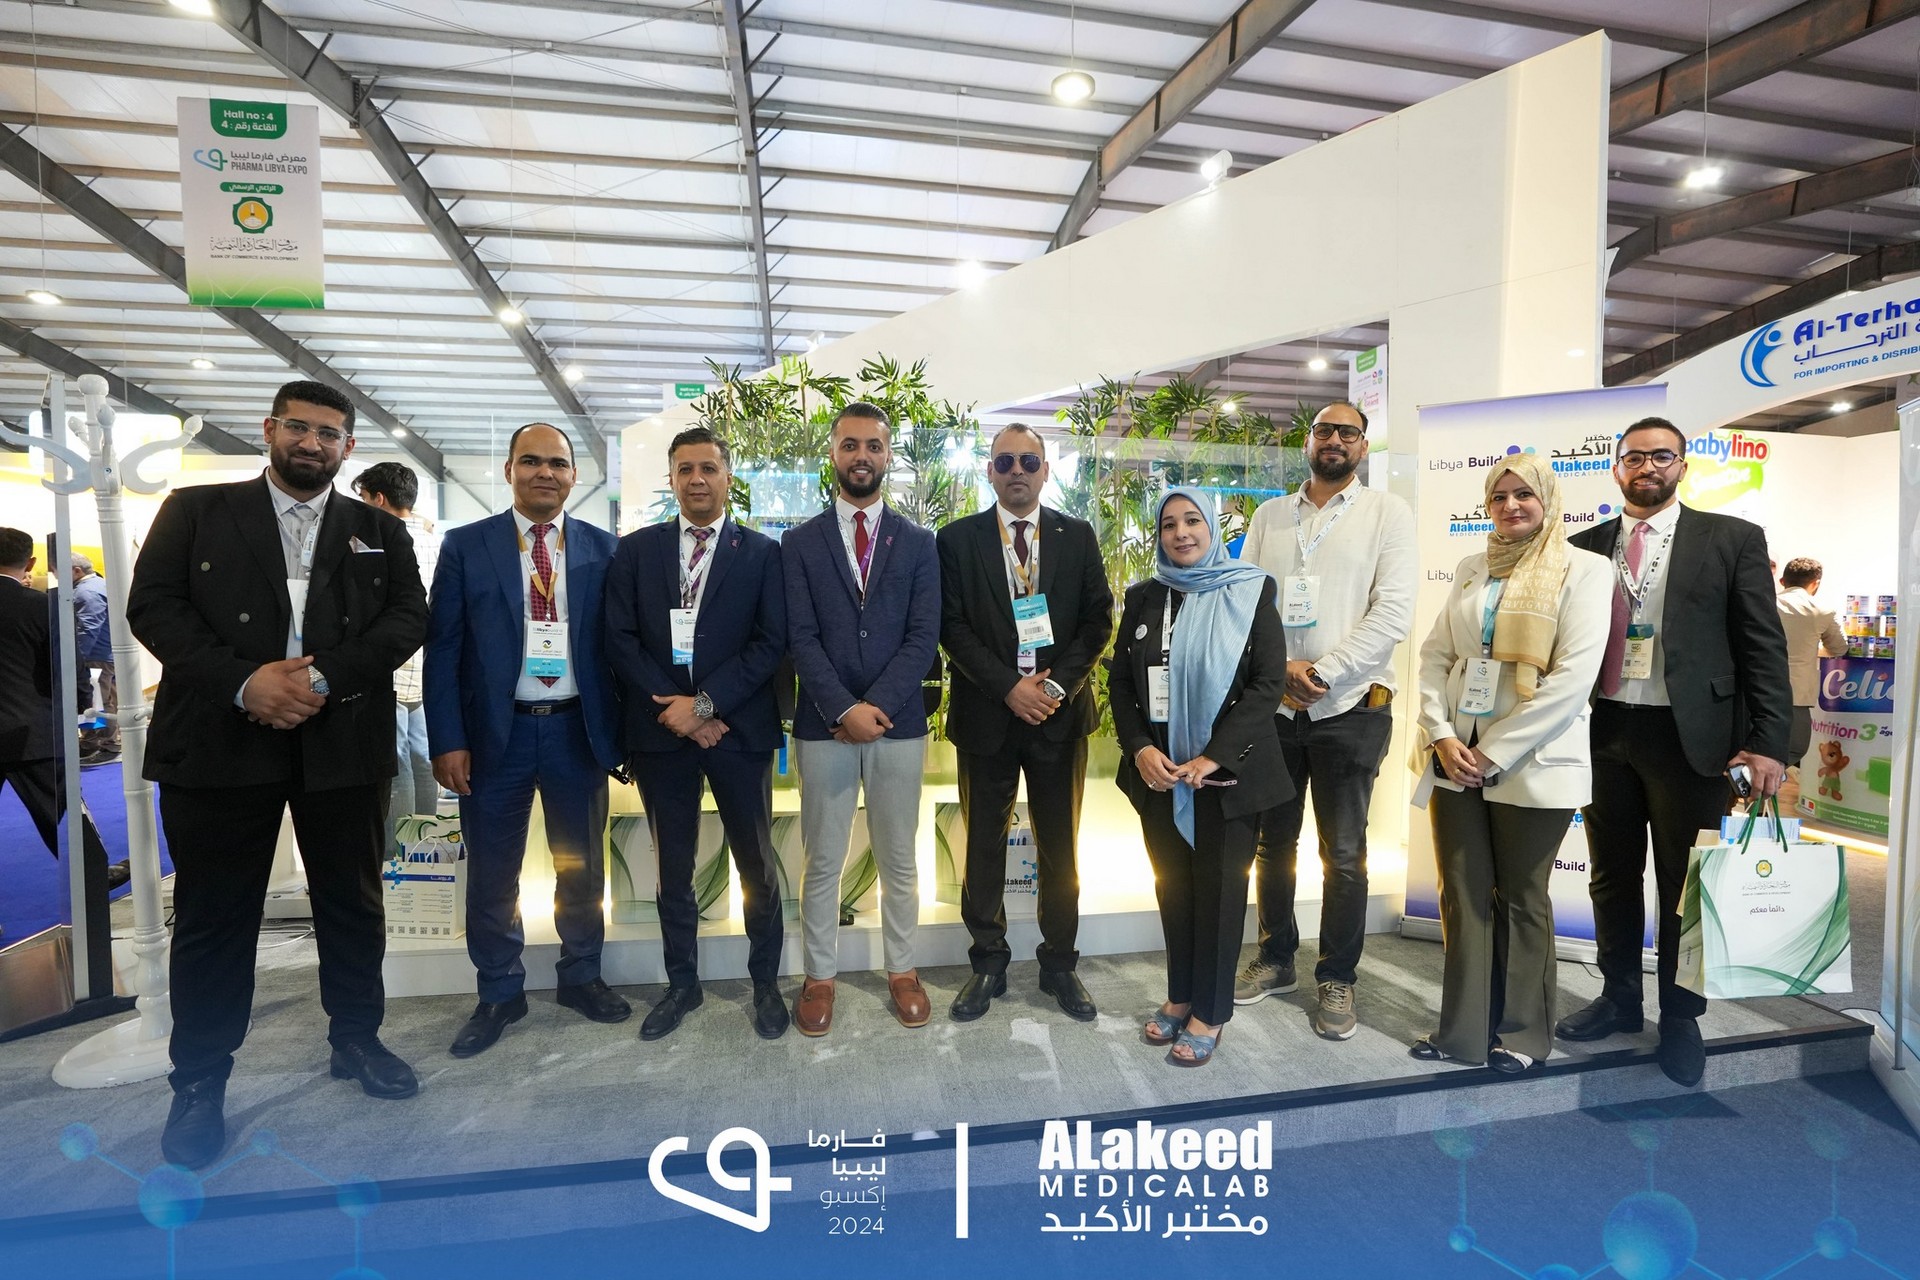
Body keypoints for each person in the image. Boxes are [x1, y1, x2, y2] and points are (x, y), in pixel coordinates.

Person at [125, 381, 428, 1169]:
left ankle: (356, 1040)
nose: (312, 443)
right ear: (269, 429)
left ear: (348, 447)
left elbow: (407, 618)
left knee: (352, 904)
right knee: (214, 916)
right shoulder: (197, 511)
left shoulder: (377, 530)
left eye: (329, 433)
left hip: (342, 739)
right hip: (219, 740)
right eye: (299, 427)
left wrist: (319, 678)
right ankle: (199, 1081)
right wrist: (244, 682)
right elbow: (154, 608)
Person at [1556, 416, 1792, 1087]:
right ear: (1616, 468)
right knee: (1610, 874)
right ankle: (1619, 999)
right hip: (1603, 729)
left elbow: (1763, 646)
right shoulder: (1583, 546)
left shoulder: (1731, 539)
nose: (1648, 467)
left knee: (1685, 884)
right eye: (1635, 457)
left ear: (1683, 466)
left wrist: (1768, 742)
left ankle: (1682, 1015)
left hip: (1692, 737)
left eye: (1662, 456)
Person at [424, 423, 630, 1058]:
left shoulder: (605, 549)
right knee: (493, 872)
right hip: (495, 736)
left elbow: (621, 649)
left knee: (581, 866)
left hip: (576, 730)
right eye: (532, 461)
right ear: (509, 469)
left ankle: (582, 975)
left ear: (574, 475)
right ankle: (498, 990)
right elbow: (443, 649)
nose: (546, 472)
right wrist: (447, 738)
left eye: (558, 464)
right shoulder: (466, 545)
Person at [1408, 455, 1611, 1073]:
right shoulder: (1473, 567)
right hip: (1455, 756)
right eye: (1498, 496)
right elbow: (1435, 656)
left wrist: (1494, 750)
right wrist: (1441, 735)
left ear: (1548, 499)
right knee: (1462, 894)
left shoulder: (1586, 569)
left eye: (1524, 494)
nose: (1510, 505)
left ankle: (1522, 1037)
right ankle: (1463, 1034)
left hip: (1533, 758)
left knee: (1523, 896)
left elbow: (1573, 678)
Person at [1235, 400, 1416, 1040]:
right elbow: (1245, 599)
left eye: (1347, 432)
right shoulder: (1270, 516)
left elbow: (1392, 611)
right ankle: (1276, 957)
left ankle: (1337, 976)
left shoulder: (1387, 514)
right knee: (1272, 844)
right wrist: (1280, 669)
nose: (1334, 439)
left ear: (1362, 446)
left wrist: (1323, 671)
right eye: (1323, 430)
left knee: (1343, 853)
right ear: (1308, 442)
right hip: (1276, 709)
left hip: (1350, 708)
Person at [605, 426, 789, 1041]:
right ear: (672, 478)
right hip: (662, 733)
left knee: (756, 863)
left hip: (738, 730)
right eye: (685, 469)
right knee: (673, 867)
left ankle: (766, 982)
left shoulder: (762, 553)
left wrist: (705, 706)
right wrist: (676, 710)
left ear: (728, 476)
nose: (697, 479)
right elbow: (620, 639)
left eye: (708, 468)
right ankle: (681, 984)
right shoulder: (636, 551)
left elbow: (770, 643)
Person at [937, 424, 1114, 1023]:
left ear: (1045, 471)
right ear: (989, 470)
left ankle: (1059, 962)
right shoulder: (956, 540)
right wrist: (1009, 688)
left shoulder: (1077, 534)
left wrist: (1055, 687)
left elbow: (1097, 621)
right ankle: (988, 960)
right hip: (987, 714)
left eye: (1030, 461)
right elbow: (951, 626)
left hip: (1058, 717)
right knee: (983, 843)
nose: (1018, 470)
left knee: (1060, 845)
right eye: (1006, 460)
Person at [1108, 489, 1289, 1067]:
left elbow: (1267, 684)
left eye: (1192, 521)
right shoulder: (1143, 596)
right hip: (1160, 775)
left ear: (1211, 529)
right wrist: (1139, 748)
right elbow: (1120, 683)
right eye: (1168, 524)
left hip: (1225, 777)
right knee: (1174, 889)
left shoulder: (1251, 590)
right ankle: (1181, 994)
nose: (1180, 533)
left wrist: (1216, 755)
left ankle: (1210, 1012)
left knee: (1220, 894)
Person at [783, 401, 941, 1036]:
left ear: (887, 455)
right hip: (823, 724)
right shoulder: (799, 543)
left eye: (873, 446)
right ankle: (819, 977)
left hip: (898, 724)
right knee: (822, 858)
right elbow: (800, 636)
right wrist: (844, 708)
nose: (861, 456)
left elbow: (923, 636)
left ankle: (902, 970)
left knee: (899, 857)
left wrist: (876, 707)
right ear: (833, 453)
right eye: (849, 445)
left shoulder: (920, 543)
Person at [0, 530, 122, 889]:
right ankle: (94, 878)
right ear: (31, 562)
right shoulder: (42, 606)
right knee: (63, 812)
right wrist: (83, 709)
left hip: (27, 726)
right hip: (34, 729)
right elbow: (69, 665)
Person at [352, 461, 442, 833]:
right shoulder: (435, 539)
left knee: (397, 760)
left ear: (379, 498)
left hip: (391, 663)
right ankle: (428, 843)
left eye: (363, 498)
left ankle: (396, 852)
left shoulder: (380, 542)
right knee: (424, 757)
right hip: (426, 664)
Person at [1774, 557, 1846, 769]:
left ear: (1782, 581)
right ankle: (1763, 781)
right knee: (1795, 748)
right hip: (1796, 693)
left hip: (1754, 688)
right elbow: (1839, 648)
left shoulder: (1764, 603)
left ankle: (1750, 783)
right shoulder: (1823, 609)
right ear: (1816, 583)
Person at [71, 553, 119, 764]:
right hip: (106, 653)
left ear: (77, 570)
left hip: (95, 655)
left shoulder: (86, 592)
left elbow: (88, 628)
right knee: (106, 700)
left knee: (96, 701)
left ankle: (101, 745)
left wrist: (76, 658)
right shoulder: (101, 585)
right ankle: (102, 743)